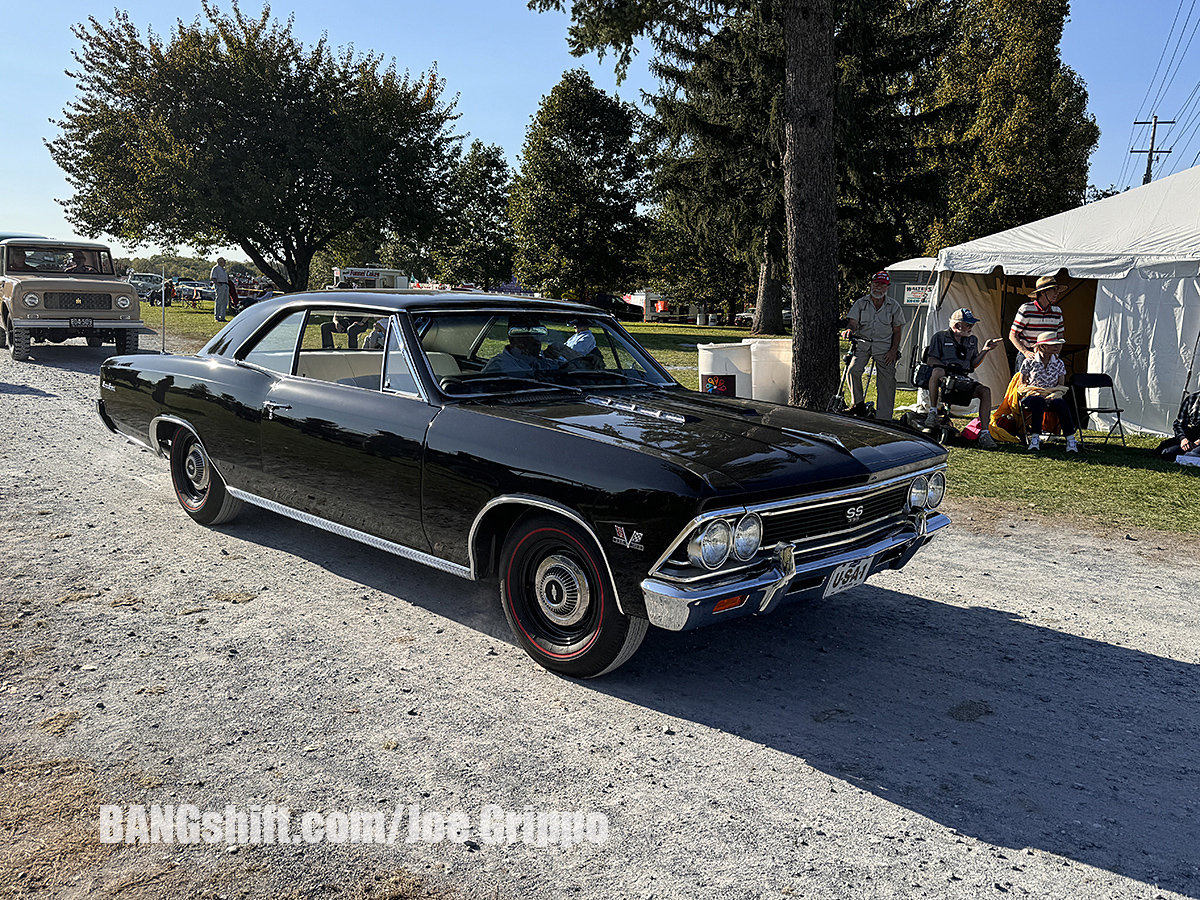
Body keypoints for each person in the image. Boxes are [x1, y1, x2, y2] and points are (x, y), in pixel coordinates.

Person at [923, 307, 1002, 448]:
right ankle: (933, 412)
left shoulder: (972, 340)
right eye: (968, 324)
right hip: (945, 374)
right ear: (957, 325)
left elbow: (973, 365)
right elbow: (930, 360)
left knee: (985, 391)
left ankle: (984, 433)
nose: (971, 327)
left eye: (971, 324)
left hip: (962, 377)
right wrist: (948, 368)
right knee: (937, 371)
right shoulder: (940, 337)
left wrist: (985, 351)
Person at [843, 271, 904, 420]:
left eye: (882, 285)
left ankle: (884, 418)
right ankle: (858, 404)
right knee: (853, 370)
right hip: (863, 344)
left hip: (885, 348)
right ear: (870, 285)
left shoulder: (893, 306)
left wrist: (893, 351)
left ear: (887, 288)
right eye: (876, 283)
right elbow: (853, 322)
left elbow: (897, 330)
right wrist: (850, 330)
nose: (878, 287)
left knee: (887, 381)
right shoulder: (861, 303)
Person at [1018, 332, 1077, 452]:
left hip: (1052, 395)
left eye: (1056, 344)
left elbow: (1061, 385)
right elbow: (1021, 384)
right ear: (1042, 346)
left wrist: (1054, 395)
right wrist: (1034, 393)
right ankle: (1035, 438)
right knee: (1038, 402)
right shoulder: (1029, 362)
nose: (1056, 346)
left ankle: (1070, 439)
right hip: (1033, 395)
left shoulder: (1059, 363)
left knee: (1061, 403)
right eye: (1052, 344)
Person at [483, 317, 580, 375]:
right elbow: (530, 380)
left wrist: (566, 352)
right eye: (527, 334)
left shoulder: (543, 362)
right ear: (514, 338)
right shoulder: (499, 365)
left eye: (538, 333)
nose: (537, 340)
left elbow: (581, 370)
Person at [1009, 275, 1065, 361]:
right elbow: (1013, 335)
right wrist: (1025, 352)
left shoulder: (1057, 311)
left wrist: (1056, 354)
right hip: (1028, 356)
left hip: (1048, 357)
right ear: (1043, 292)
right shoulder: (1026, 309)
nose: (1057, 293)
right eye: (1053, 290)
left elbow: (1060, 336)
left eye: (1057, 290)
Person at [211, 257, 230, 322]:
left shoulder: (223, 270)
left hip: (225, 285)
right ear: (219, 262)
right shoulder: (216, 268)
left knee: (224, 302)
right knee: (219, 301)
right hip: (220, 285)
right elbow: (213, 277)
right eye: (223, 261)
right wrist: (217, 284)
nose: (224, 263)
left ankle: (222, 316)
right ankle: (217, 316)